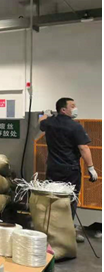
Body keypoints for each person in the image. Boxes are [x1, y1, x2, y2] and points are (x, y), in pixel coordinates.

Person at [39, 97, 98, 242]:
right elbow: (83, 148)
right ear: (63, 109)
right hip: (70, 170)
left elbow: (41, 122)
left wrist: (46, 114)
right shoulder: (75, 126)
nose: (75, 108)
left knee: (53, 199)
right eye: (72, 106)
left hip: (53, 168)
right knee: (70, 200)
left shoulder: (49, 123)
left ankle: (52, 232)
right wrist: (91, 168)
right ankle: (68, 233)